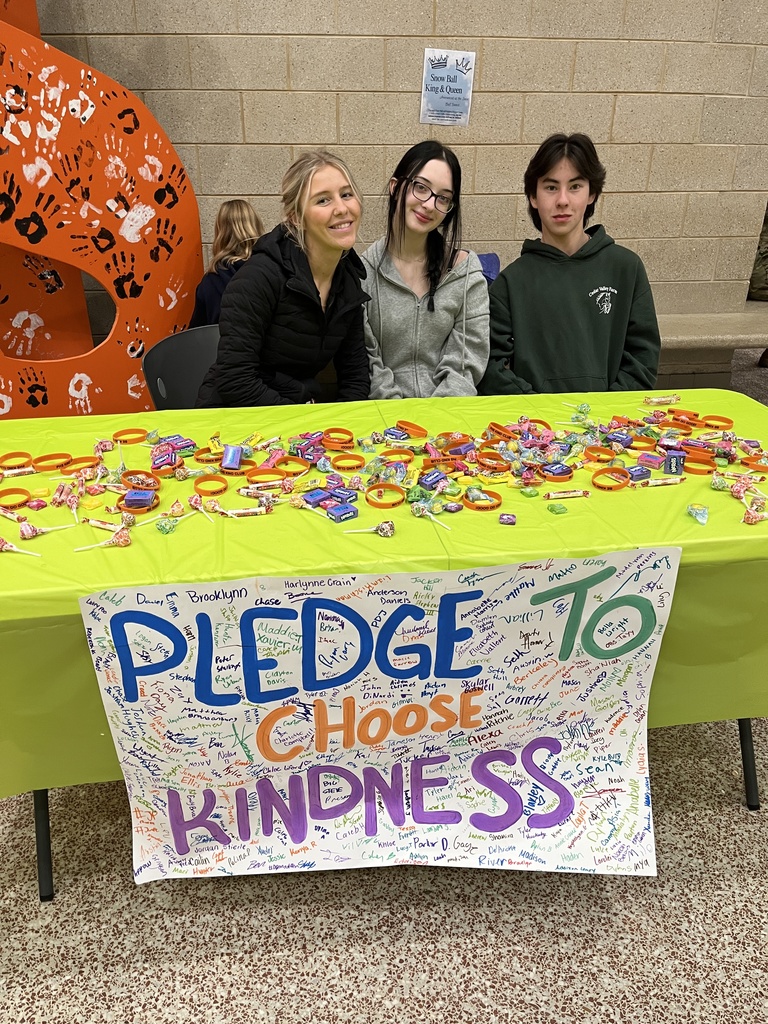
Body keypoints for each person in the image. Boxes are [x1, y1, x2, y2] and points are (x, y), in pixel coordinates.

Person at [479, 133, 661, 395]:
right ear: (533, 196)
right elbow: (491, 368)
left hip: (607, 428)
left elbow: (643, 359)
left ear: (592, 193)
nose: (562, 200)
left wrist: (606, 414)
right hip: (538, 430)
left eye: (575, 186)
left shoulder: (626, 268)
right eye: (551, 187)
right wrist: (539, 416)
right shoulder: (511, 283)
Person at [197, 151, 370, 407]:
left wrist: (342, 432)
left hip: (295, 415)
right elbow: (235, 379)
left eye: (346, 194)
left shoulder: (347, 279)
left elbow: (355, 376)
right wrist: (303, 422)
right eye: (323, 200)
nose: (342, 208)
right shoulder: (258, 277)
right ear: (296, 218)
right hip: (234, 418)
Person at [361, 141, 489, 399]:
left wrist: (436, 419)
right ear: (396, 188)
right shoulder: (362, 273)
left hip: (449, 420)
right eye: (421, 188)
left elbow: (466, 362)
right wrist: (401, 423)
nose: (430, 205)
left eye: (443, 198)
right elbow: (368, 362)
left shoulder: (465, 273)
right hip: (386, 421)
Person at [188, 199, 265, 328]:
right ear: (256, 226)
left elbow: (196, 336)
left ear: (220, 232)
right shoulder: (273, 271)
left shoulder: (210, 282)